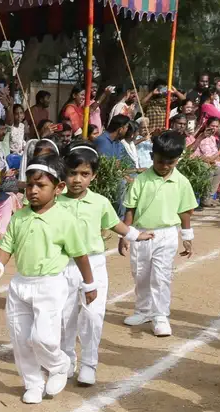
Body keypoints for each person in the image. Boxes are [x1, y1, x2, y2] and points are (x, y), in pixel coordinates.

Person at [0, 155, 95, 404]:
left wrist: (89, 284)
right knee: (21, 339)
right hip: (20, 285)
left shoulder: (65, 219)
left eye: (41, 186)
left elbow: (80, 255)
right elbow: (7, 245)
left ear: (58, 188)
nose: (33, 191)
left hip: (50, 285)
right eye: (30, 185)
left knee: (42, 338)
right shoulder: (20, 216)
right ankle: (33, 383)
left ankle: (58, 364)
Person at [58, 143, 153, 386]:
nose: (77, 179)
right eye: (72, 173)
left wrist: (134, 235)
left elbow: (115, 224)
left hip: (94, 264)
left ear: (93, 176)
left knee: (93, 314)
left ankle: (89, 363)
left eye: (85, 174)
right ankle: (66, 359)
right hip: (63, 266)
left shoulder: (99, 202)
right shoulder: (55, 202)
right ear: (64, 173)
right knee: (64, 316)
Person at [120, 130, 197, 337]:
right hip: (141, 234)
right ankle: (143, 310)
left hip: (166, 234)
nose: (164, 167)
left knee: (161, 276)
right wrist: (126, 235)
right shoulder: (141, 180)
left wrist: (187, 237)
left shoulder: (181, 182)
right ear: (152, 155)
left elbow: (184, 211)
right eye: (160, 161)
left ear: (177, 160)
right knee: (141, 273)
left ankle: (160, 315)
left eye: (170, 163)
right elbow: (130, 208)